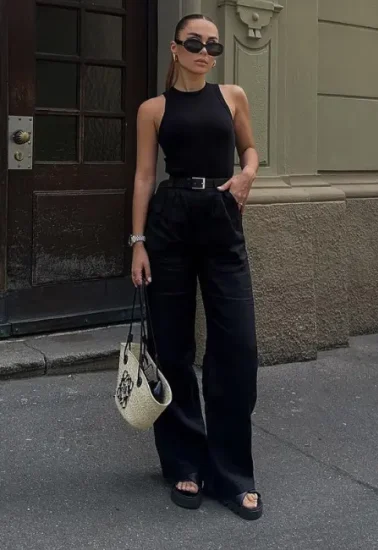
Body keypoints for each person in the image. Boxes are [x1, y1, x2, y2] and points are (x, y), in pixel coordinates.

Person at [130, 13, 262, 521]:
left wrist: (248, 175)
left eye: (212, 45)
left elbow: (249, 149)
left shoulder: (232, 96)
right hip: (170, 222)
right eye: (194, 43)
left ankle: (232, 473)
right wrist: (138, 242)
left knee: (237, 345)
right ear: (174, 48)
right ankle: (185, 462)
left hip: (221, 217)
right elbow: (144, 176)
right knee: (173, 347)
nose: (205, 51)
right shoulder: (153, 109)